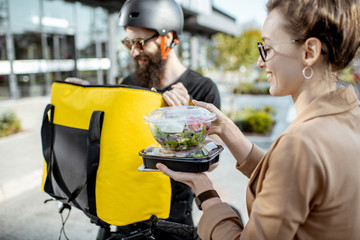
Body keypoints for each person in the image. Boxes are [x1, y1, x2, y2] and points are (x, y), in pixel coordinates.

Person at [156, 0, 360, 239]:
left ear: (309, 52)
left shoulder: (301, 143)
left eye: (267, 49)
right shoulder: (349, 117)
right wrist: (225, 128)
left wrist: (205, 190)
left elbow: (293, 165)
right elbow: (291, 181)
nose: (259, 62)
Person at [67, 0, 221, 239]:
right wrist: (87, 99)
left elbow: (211, 163)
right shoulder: (128, 83)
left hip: (171, 218)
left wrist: (187, 116)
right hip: (123, 211)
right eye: (128, 42)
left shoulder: (201, 90)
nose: (133, 51)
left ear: (168, 38)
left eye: (140, 42)